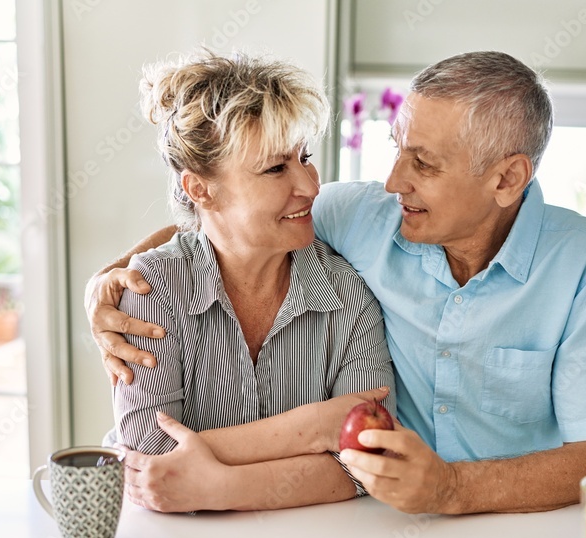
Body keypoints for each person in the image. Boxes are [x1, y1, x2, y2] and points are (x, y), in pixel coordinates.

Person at [88, 51, 586, 515]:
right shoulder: (365, 216)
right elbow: (230, 222)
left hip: (519, 530)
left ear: (507, 178)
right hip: (376, 529)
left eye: (425, 164)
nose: (392, 182)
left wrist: (452, 490)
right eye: (397, 150)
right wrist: (111, 279)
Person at [103, 52, 395, 512]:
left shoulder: (346, 294)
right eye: (276, 168)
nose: (310, 186)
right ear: (201, 190)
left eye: (305, 158)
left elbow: (368, 461)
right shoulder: (153, 288)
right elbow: (152, 461)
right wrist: (316, 427)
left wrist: (217, 486)